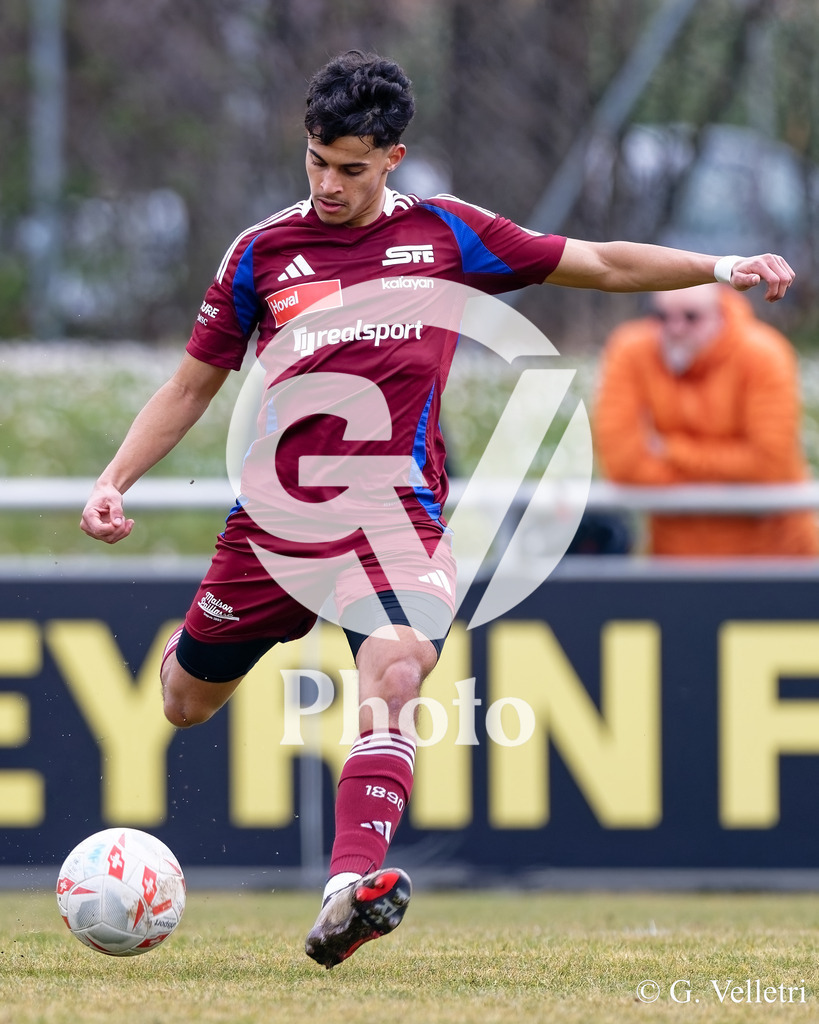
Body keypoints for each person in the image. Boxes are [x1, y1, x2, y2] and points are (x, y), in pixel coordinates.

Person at [79, 50, 796, 969]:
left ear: (392, 158)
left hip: (396, 520)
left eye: (349, 167)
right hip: (275, 528)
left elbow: (604, 263)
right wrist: (114, 479)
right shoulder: (263, 251)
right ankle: (202, 651)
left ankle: (349, 888)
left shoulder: (447, 235)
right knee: (184, 702)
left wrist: (722, 265)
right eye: (315, 161)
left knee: (398, 668)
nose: (328, 184)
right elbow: (189, 386)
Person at [593, 284, 818, 556]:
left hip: (776, 556)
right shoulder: (631, 351)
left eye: (691, 317)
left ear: (719, 314)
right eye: (661, 316)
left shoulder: (764, 354)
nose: (675, 328)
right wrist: (729, 477)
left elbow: (768, 465)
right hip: (677, 560)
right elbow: (624, 468)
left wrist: (670, 449)